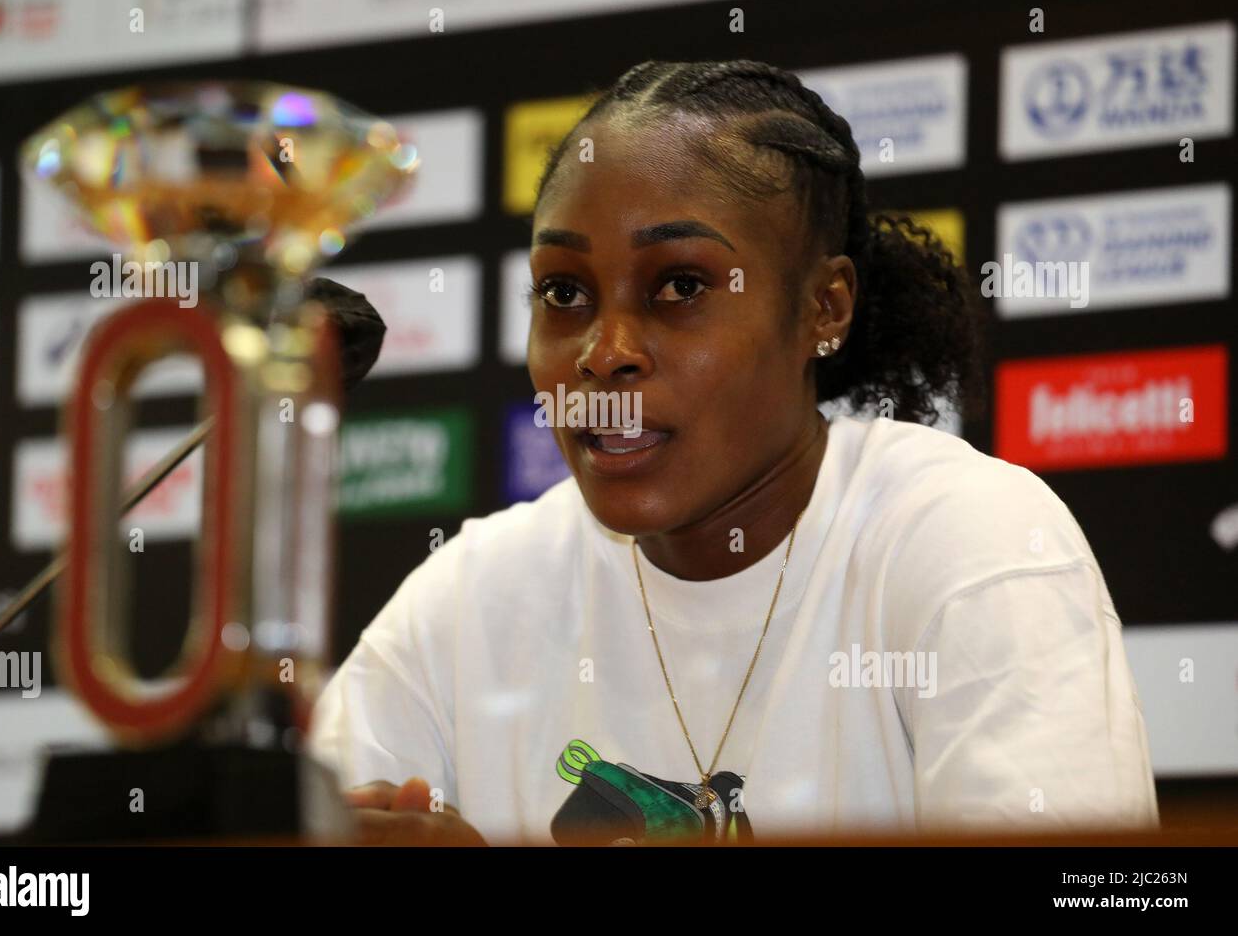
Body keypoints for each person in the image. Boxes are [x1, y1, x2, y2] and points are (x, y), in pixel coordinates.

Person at [309, 58, 1158, 846]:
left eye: (681, 285)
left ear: (824, 308)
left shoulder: (971, 543)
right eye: (564, 293)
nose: (603, 353)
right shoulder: (466, 600)